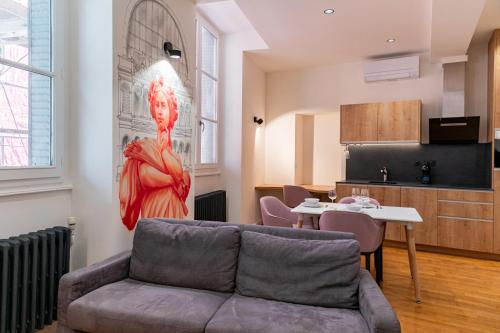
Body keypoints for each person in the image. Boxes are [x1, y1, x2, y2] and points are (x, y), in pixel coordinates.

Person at [119, 77, 190, 230]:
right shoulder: (145, 147)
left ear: (171, 112)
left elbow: (180, 176)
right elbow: (145, 176)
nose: (159, 111)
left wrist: (164, 152)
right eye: (156, 105)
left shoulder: (174, 156)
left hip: (175, 222)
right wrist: (172, 180)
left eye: (163, 105)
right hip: (153, 217)